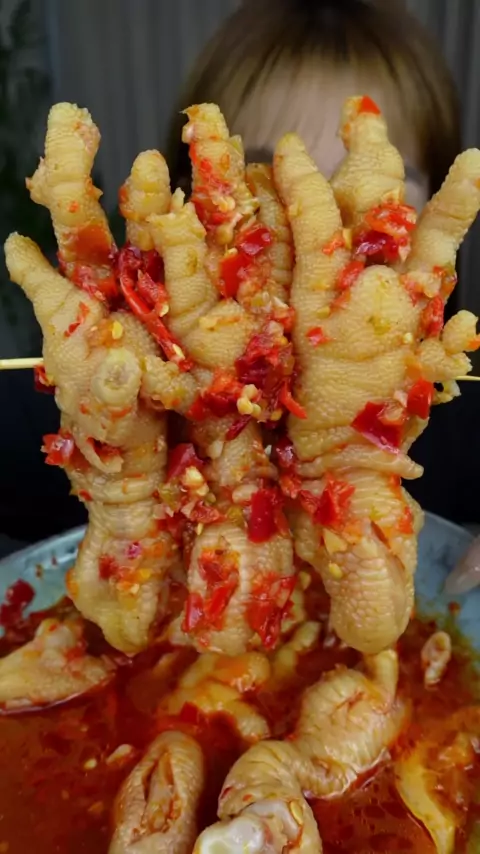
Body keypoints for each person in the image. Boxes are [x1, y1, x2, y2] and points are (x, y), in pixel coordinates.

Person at [167, 0, 480, 528]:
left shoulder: (468, 429)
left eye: (374, 203)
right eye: (265, 184)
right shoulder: (132, 397)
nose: (318, 238)